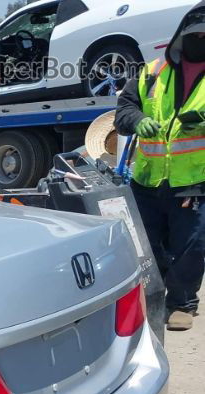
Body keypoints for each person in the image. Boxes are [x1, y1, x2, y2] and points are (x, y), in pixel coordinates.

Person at [116, 1, 205, 331]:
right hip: (148, 179)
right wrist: (137, 120)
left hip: (193, 178)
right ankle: (150, 296)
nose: (200, 40)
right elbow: (123, 111)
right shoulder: (152, 71)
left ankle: (182, 303)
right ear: (181, 35)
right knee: (148, 244)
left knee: (191, 244)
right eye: (195, 35)